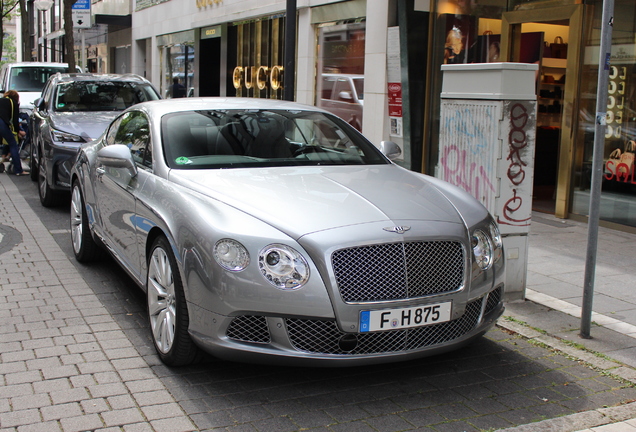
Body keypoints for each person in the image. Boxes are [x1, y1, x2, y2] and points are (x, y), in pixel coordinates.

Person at [0, 90, 27, 175]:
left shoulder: (1, 100)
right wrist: (18, 131)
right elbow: (14, 120)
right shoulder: (13, 103)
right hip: (2, 123)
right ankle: (18, 170)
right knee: (13, 144)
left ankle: (4, 157)